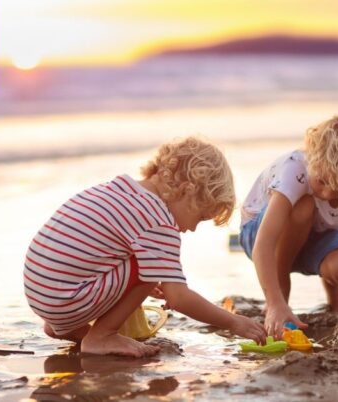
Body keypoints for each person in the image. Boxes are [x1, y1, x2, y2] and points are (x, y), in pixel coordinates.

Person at [24, 137, 266, 356]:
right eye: (200, 217)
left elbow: (88, 253)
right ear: (187, 192)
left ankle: (64, 326)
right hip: (67, 301)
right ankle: (102, 336)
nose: (192, 229)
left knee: (150, 266)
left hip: (41, 295)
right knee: (150, 270)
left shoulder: (117, 190)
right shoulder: (159, 220)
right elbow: (179, 298)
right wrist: (233, 322)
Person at [239, 113, 338, 336]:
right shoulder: (295, 170)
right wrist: (275, 301)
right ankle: (280, 295)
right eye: (322, 181)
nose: (327, 193)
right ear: (313, 158)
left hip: (316, 234)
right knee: (305, 205)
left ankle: (334, 290)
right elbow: (264, 243)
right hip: (260, 234)